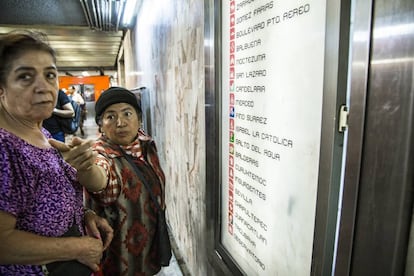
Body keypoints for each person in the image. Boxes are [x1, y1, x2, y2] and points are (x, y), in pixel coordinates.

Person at [0, 30, 114, 275]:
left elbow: (39, 206)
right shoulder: (4, 149)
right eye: (25, 77)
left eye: (50, 75)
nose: (43, 86)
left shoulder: (43, 136)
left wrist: (84, 216)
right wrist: (76, 247)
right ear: (1, 89)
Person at [84, 87, 168, 275]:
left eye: (127, 114)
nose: (120, 123)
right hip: (117, 263)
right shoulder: (102, 155)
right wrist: (86, 169)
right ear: (101, 125)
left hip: (149, 254)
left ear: (139, 118)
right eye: (110, 117)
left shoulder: (147, 145)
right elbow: (102, 183)